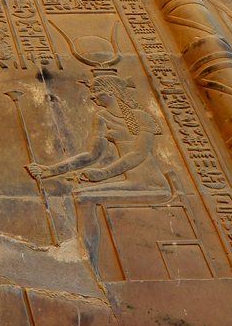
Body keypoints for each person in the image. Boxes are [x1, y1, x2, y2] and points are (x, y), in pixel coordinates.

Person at [25, 72, 167, 270]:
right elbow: (92, 154)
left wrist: (103, 173)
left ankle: (87, 265)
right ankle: (86, 260)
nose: (92, 96)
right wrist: (50, 170)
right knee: (80, 195)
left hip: (151, 183)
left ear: (111, 91)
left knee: (85, 199)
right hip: (131, 181)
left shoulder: (141, 117)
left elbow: (139, 153)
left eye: (97, 91)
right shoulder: (102, 117)